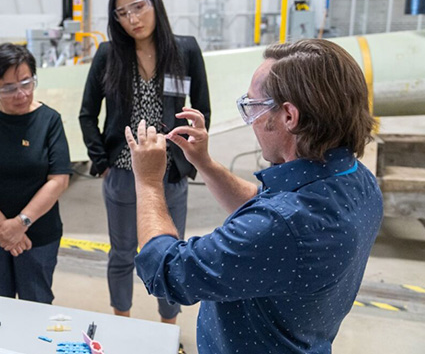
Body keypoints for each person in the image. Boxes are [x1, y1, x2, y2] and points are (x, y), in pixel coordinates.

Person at [128, 39, 382, 353]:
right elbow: (263, 205)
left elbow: (167, 271)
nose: (251, 122)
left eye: (254, 108)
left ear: (290, 117)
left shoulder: (283, 225)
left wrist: (148, 180)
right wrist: (204, 163)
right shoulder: (358, 181)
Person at [78, 0, 211, 325]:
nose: (132, 19)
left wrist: (190, 152)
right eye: (122, 13)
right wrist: (102, 161)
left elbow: (203, 109)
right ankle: (121, 320)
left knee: (169, 253)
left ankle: (168, 326)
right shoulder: (108, 55)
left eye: (138, 7)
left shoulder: (185, 50)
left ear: (155, 4)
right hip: (122, 172)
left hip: (169, 173)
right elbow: (87, 113)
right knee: (122, 253)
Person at [0, 43, 72, 304]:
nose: (20, 94)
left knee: (37, 304)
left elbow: (58, 180)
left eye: (26, 83)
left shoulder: (49, 121)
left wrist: (20, 224)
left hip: (38, 234)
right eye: (8, 88)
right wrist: (5, 230)